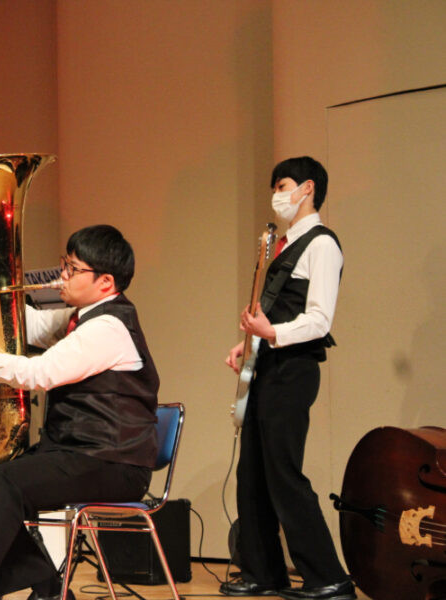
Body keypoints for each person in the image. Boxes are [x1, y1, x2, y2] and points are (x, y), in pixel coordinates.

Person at [0, 224, 160, 600]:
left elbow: (38, 374)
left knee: (4, 483)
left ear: (105, 282)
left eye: (73, 269)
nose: (62, 276)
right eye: (64, 265)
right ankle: (48, 589)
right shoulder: (82, 317)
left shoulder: (108, 327)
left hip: (112, 462)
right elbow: (27, 322)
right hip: (80, 455)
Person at [222, 157, 354, 600]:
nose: (276, 195)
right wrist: (250, 343)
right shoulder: (282, 245)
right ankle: (264, 573)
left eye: (282, 185)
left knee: (283, 473)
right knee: (252, 473)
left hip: (294, 371)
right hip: (270, 365)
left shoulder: (322, 244)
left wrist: (271, 334)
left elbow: (319, 319)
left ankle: (329, 577)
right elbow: (279, 311)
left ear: (307, 188)